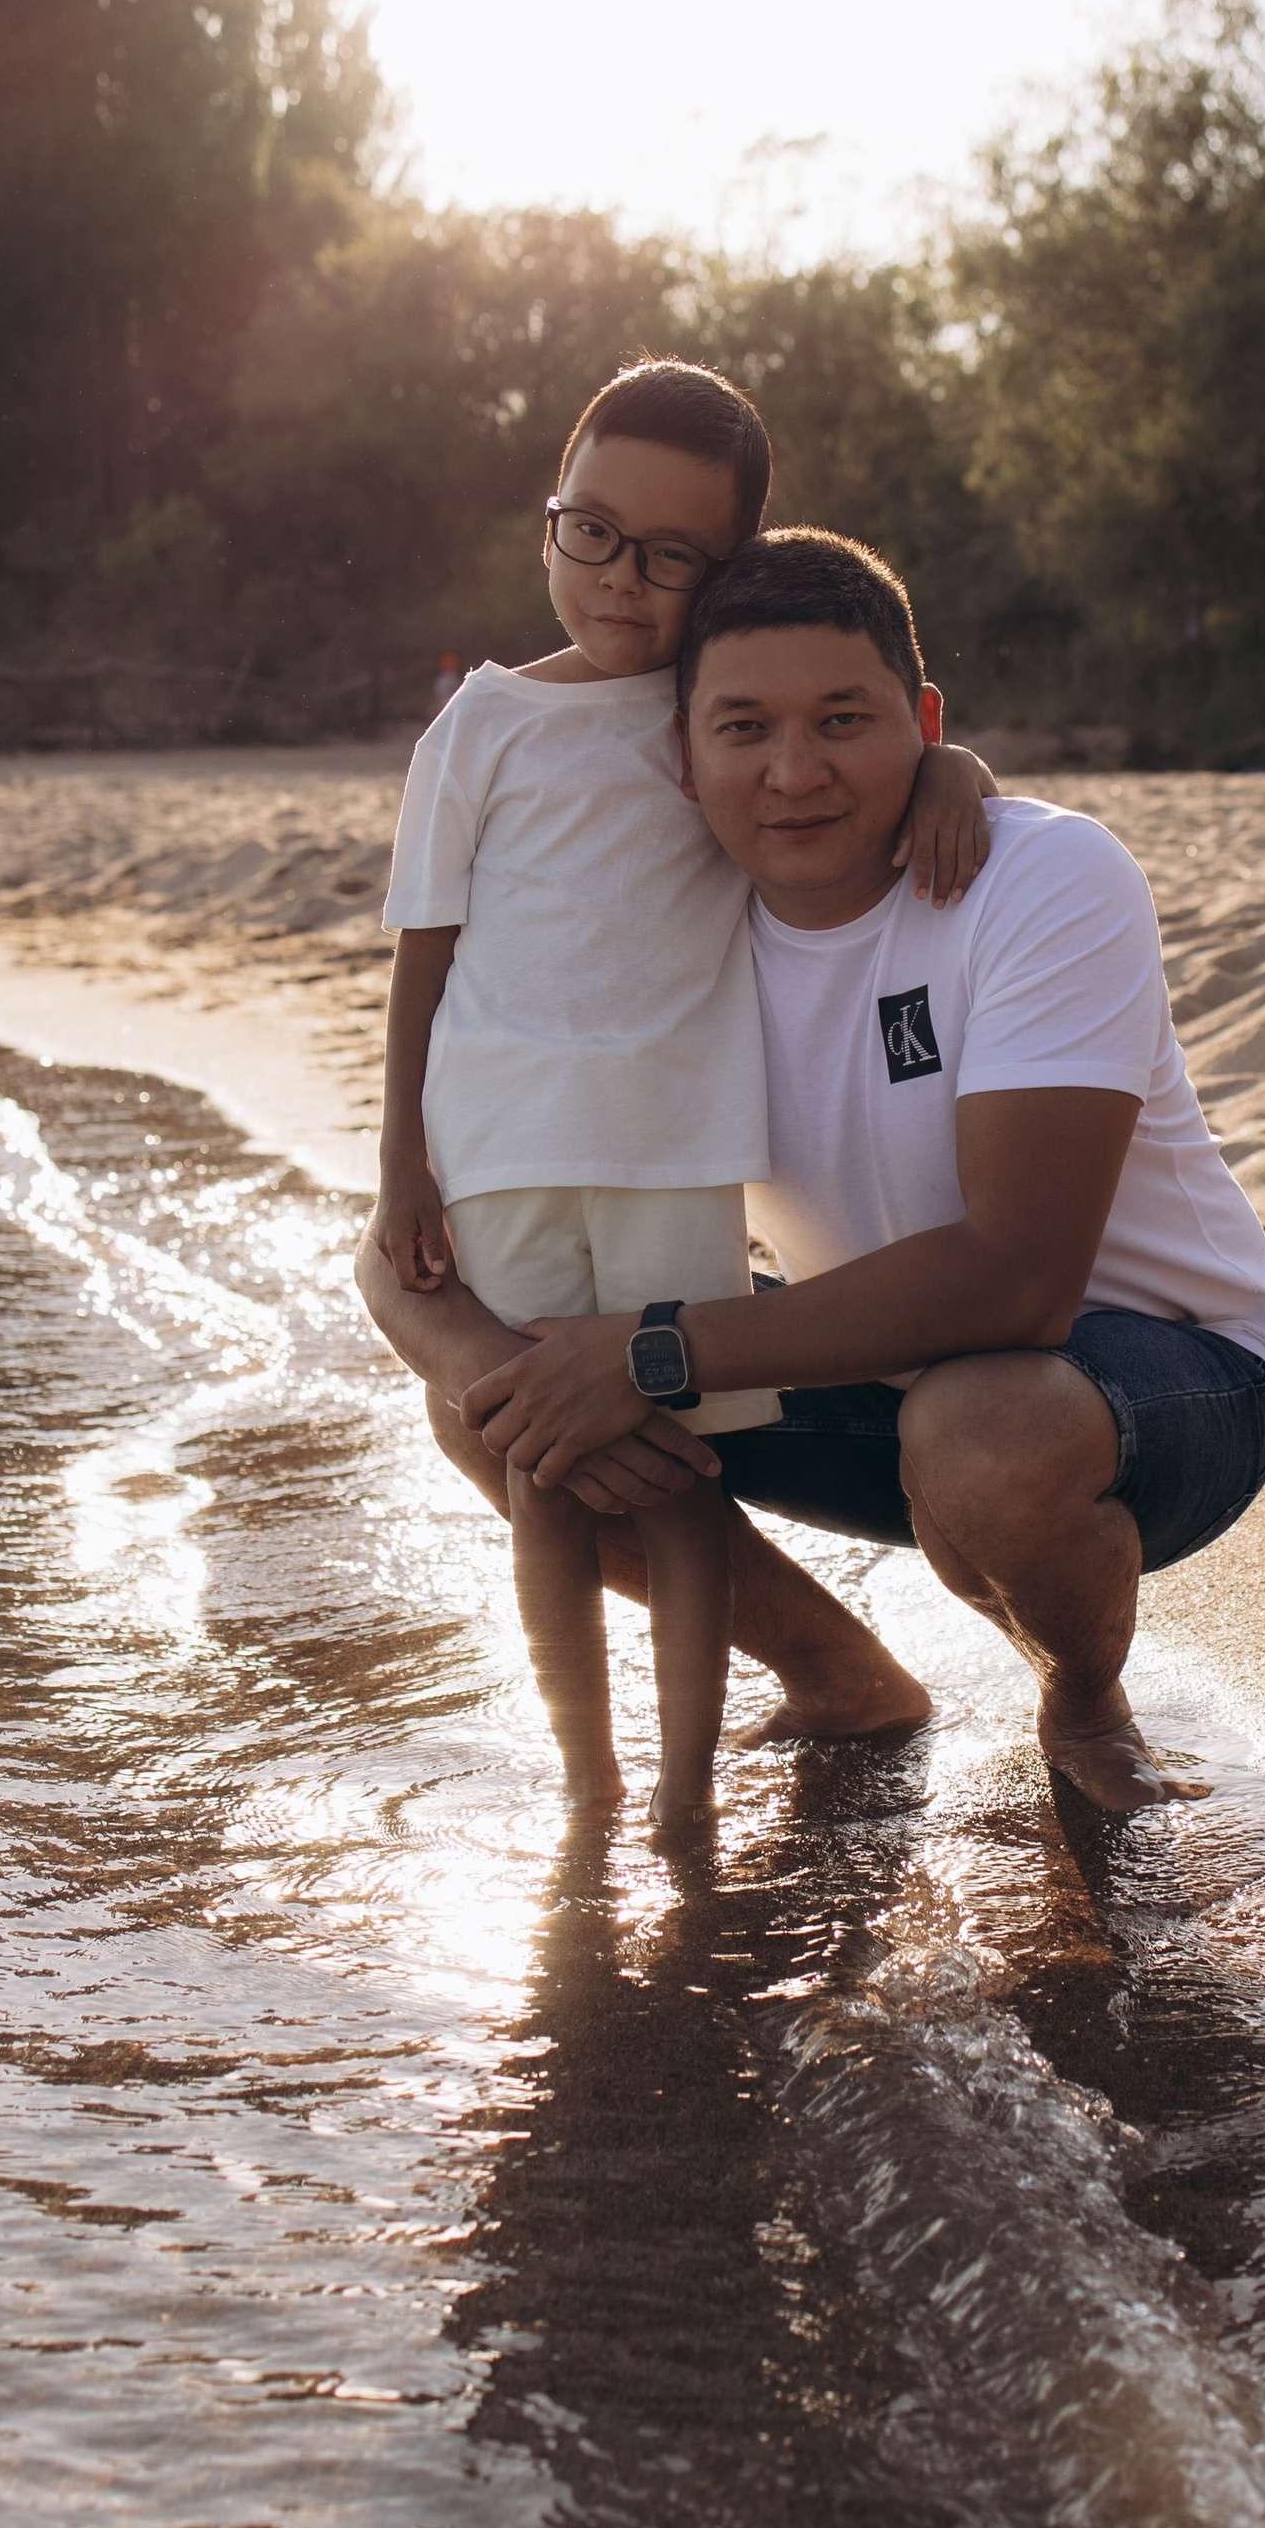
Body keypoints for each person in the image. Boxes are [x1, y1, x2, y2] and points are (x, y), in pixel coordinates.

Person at [452, 530, 1265, 1812]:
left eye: (843, 721)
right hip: (887, 1375)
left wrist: (647, 1353)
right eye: (743, 728)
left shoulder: (1039, 876)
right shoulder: (663, 931)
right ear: (680, 756)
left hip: (1169, 1377)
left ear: (922, 722)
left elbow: (1019, 1283)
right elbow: (428, 1201)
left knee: (979, 1428)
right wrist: (500, 1354)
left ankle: (1081, 1700)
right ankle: (842, 1676)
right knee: (496, 1408)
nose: (795, 773)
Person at [368, 367, 994, 1825]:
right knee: (538, 1449)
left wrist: (951, 765)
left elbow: (861, 742)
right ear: (548, 529)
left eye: (670, 557)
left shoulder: (717, 719)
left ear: (724, 580)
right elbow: (422, 950)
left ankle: (685, 1784)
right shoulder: (482, 724)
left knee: (678, 1462)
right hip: (502, 1139)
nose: (622, 580)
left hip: (672, 1146)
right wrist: (401, 1159)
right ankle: (588, 1779)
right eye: (593, 533)